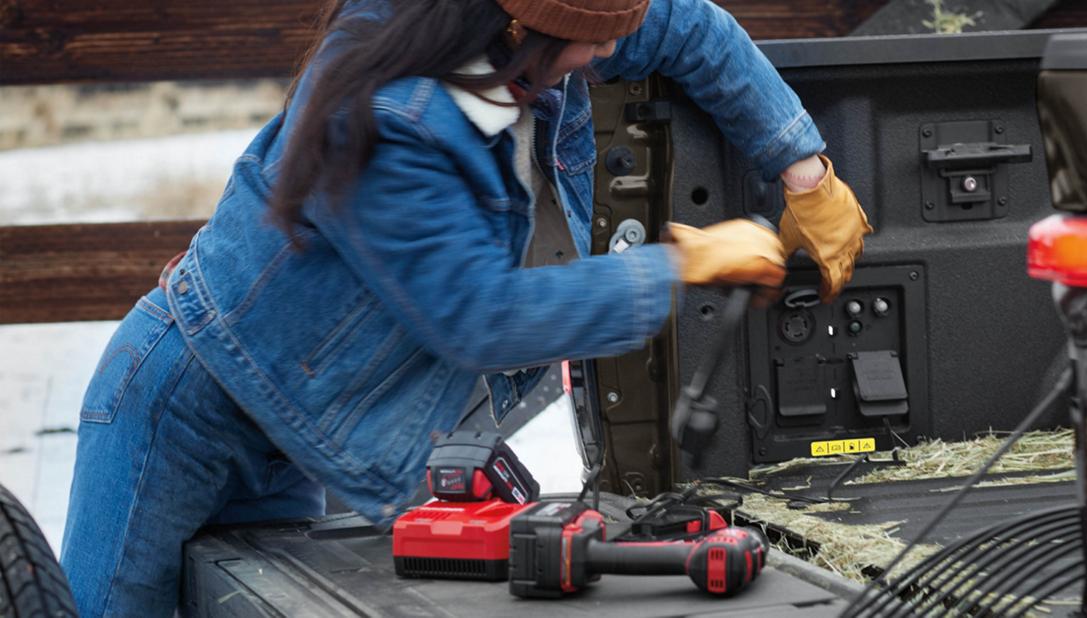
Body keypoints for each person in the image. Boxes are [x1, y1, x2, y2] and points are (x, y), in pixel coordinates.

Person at [58, 0, 872, 614]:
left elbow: (687, 25)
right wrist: (683, 264)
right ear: (521, 29)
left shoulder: (541, 20)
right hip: (187, 413)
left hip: (312, 432)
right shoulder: (388, 112)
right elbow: (479, 316)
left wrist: (805, 171)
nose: (609, 57)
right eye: (593, 42)